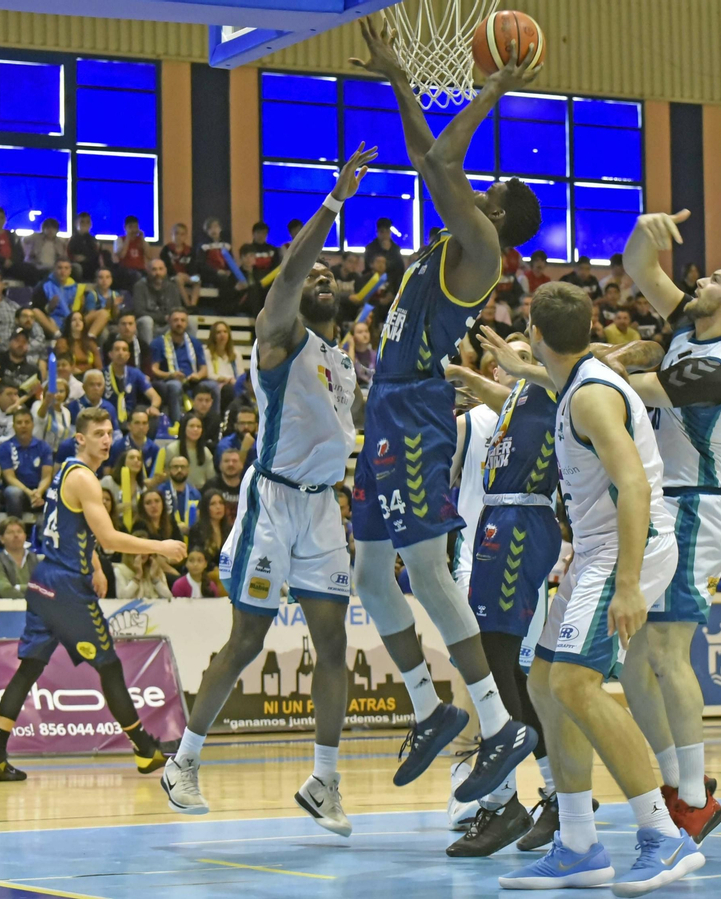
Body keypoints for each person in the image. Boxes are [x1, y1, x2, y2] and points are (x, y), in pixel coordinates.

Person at [345, 20, 545, 811]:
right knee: (369, 571)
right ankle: (432, 709)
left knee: (426, 570)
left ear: (498, 214)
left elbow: (436, 159)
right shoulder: (457, 241)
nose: (479, 188)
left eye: (490, 191)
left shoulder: (482, 249)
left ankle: (498, 723)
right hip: (388, 402)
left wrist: (486, 89)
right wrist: (399, 76)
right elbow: (435, 159)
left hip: (417, 411)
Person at [164, 150, 372, 838]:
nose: (318, 279)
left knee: (334, 643)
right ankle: (183, 762)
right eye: (308, 275)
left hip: (322, 510)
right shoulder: (279, 340)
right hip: (273, 502)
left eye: (328, 277)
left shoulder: (343, 361)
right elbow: (288, 273)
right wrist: (333, 205)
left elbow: (347, 433)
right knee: (248, 636)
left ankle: (325, 779)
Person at [473, 278, 705, 893]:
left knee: (577, 683)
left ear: (538, 331)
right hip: (599, 550)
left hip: (627, 549)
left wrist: (628, 583)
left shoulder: (593, 397)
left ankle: (664, 835)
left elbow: (633, 485)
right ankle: (577, 842)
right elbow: (547, 376)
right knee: (545, 684)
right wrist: (512, 367)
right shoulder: (574, 378)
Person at [0, 407, 186, 782]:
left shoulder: (65, 471)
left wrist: (98, 566)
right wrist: (160, 546)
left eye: (110, 433)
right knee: (109, 665)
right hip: (67, 587)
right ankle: (144, 749)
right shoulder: (86, 479)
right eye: (99, 433)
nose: (107, 440)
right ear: (80, 439)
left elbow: (73, 528)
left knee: (30, 667)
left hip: (44, 579)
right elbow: (108, 537)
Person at [441, 339, 562, 855]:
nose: (513, 356)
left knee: (496, 668)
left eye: (526, 349)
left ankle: (501, 800)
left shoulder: (558, 388)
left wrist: (526, 366)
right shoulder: (509, 403)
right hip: (492, 529)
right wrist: (444, 369)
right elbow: (486, 388)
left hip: (518, 526)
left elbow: (625, 356)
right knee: (514, 675)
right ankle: (556, 794)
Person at [148, 309, 207, 423]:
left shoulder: (194, 342)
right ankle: (178, 423)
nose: (179, 323)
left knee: (212, 386)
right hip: (167, 380)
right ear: (169, 321)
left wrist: (197, 376)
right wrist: (171, 375)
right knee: (175, 386)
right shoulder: (158, 342)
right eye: (175, 320)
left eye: (182, 320)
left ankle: (209, 423)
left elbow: (204, 369)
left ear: (187, 323)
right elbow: (154, 369)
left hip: (191, 380)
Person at [0, 410, 55, 518]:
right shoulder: (4, 448)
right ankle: (15, 529)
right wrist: (29, 493)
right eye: (19, 423)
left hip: (38, 491)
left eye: (27, 422)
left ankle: (46, 532)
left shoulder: (43, 447)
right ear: (13, 426)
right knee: (13, 492)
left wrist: (38, 492)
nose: (23, 426)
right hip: (18, 491)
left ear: (33, 425)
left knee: (55, 492)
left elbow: (46, 477)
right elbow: (9, 477)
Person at [0, 518, 38, 599]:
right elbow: (5, 590)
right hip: (8, 610)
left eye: (19, 532)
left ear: (25, 536)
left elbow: (45, 588)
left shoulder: (37, 560)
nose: (16, 535)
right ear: (2, 539)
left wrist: (18, 587)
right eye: (10, 532)